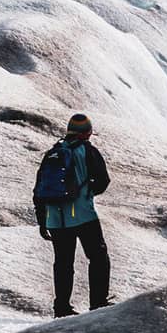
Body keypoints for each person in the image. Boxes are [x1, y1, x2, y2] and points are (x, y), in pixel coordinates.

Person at [34, 113, 111, 317]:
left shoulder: (52, 153)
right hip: (82, 214)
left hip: (55, 219)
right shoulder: (87, 151)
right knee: (97, 256)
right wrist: (87, 193)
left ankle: (61, 308)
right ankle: (98, 303)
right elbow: (103, 180)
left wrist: (42, 221)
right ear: (87, 133)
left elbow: (39, 189)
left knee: (63, 262)